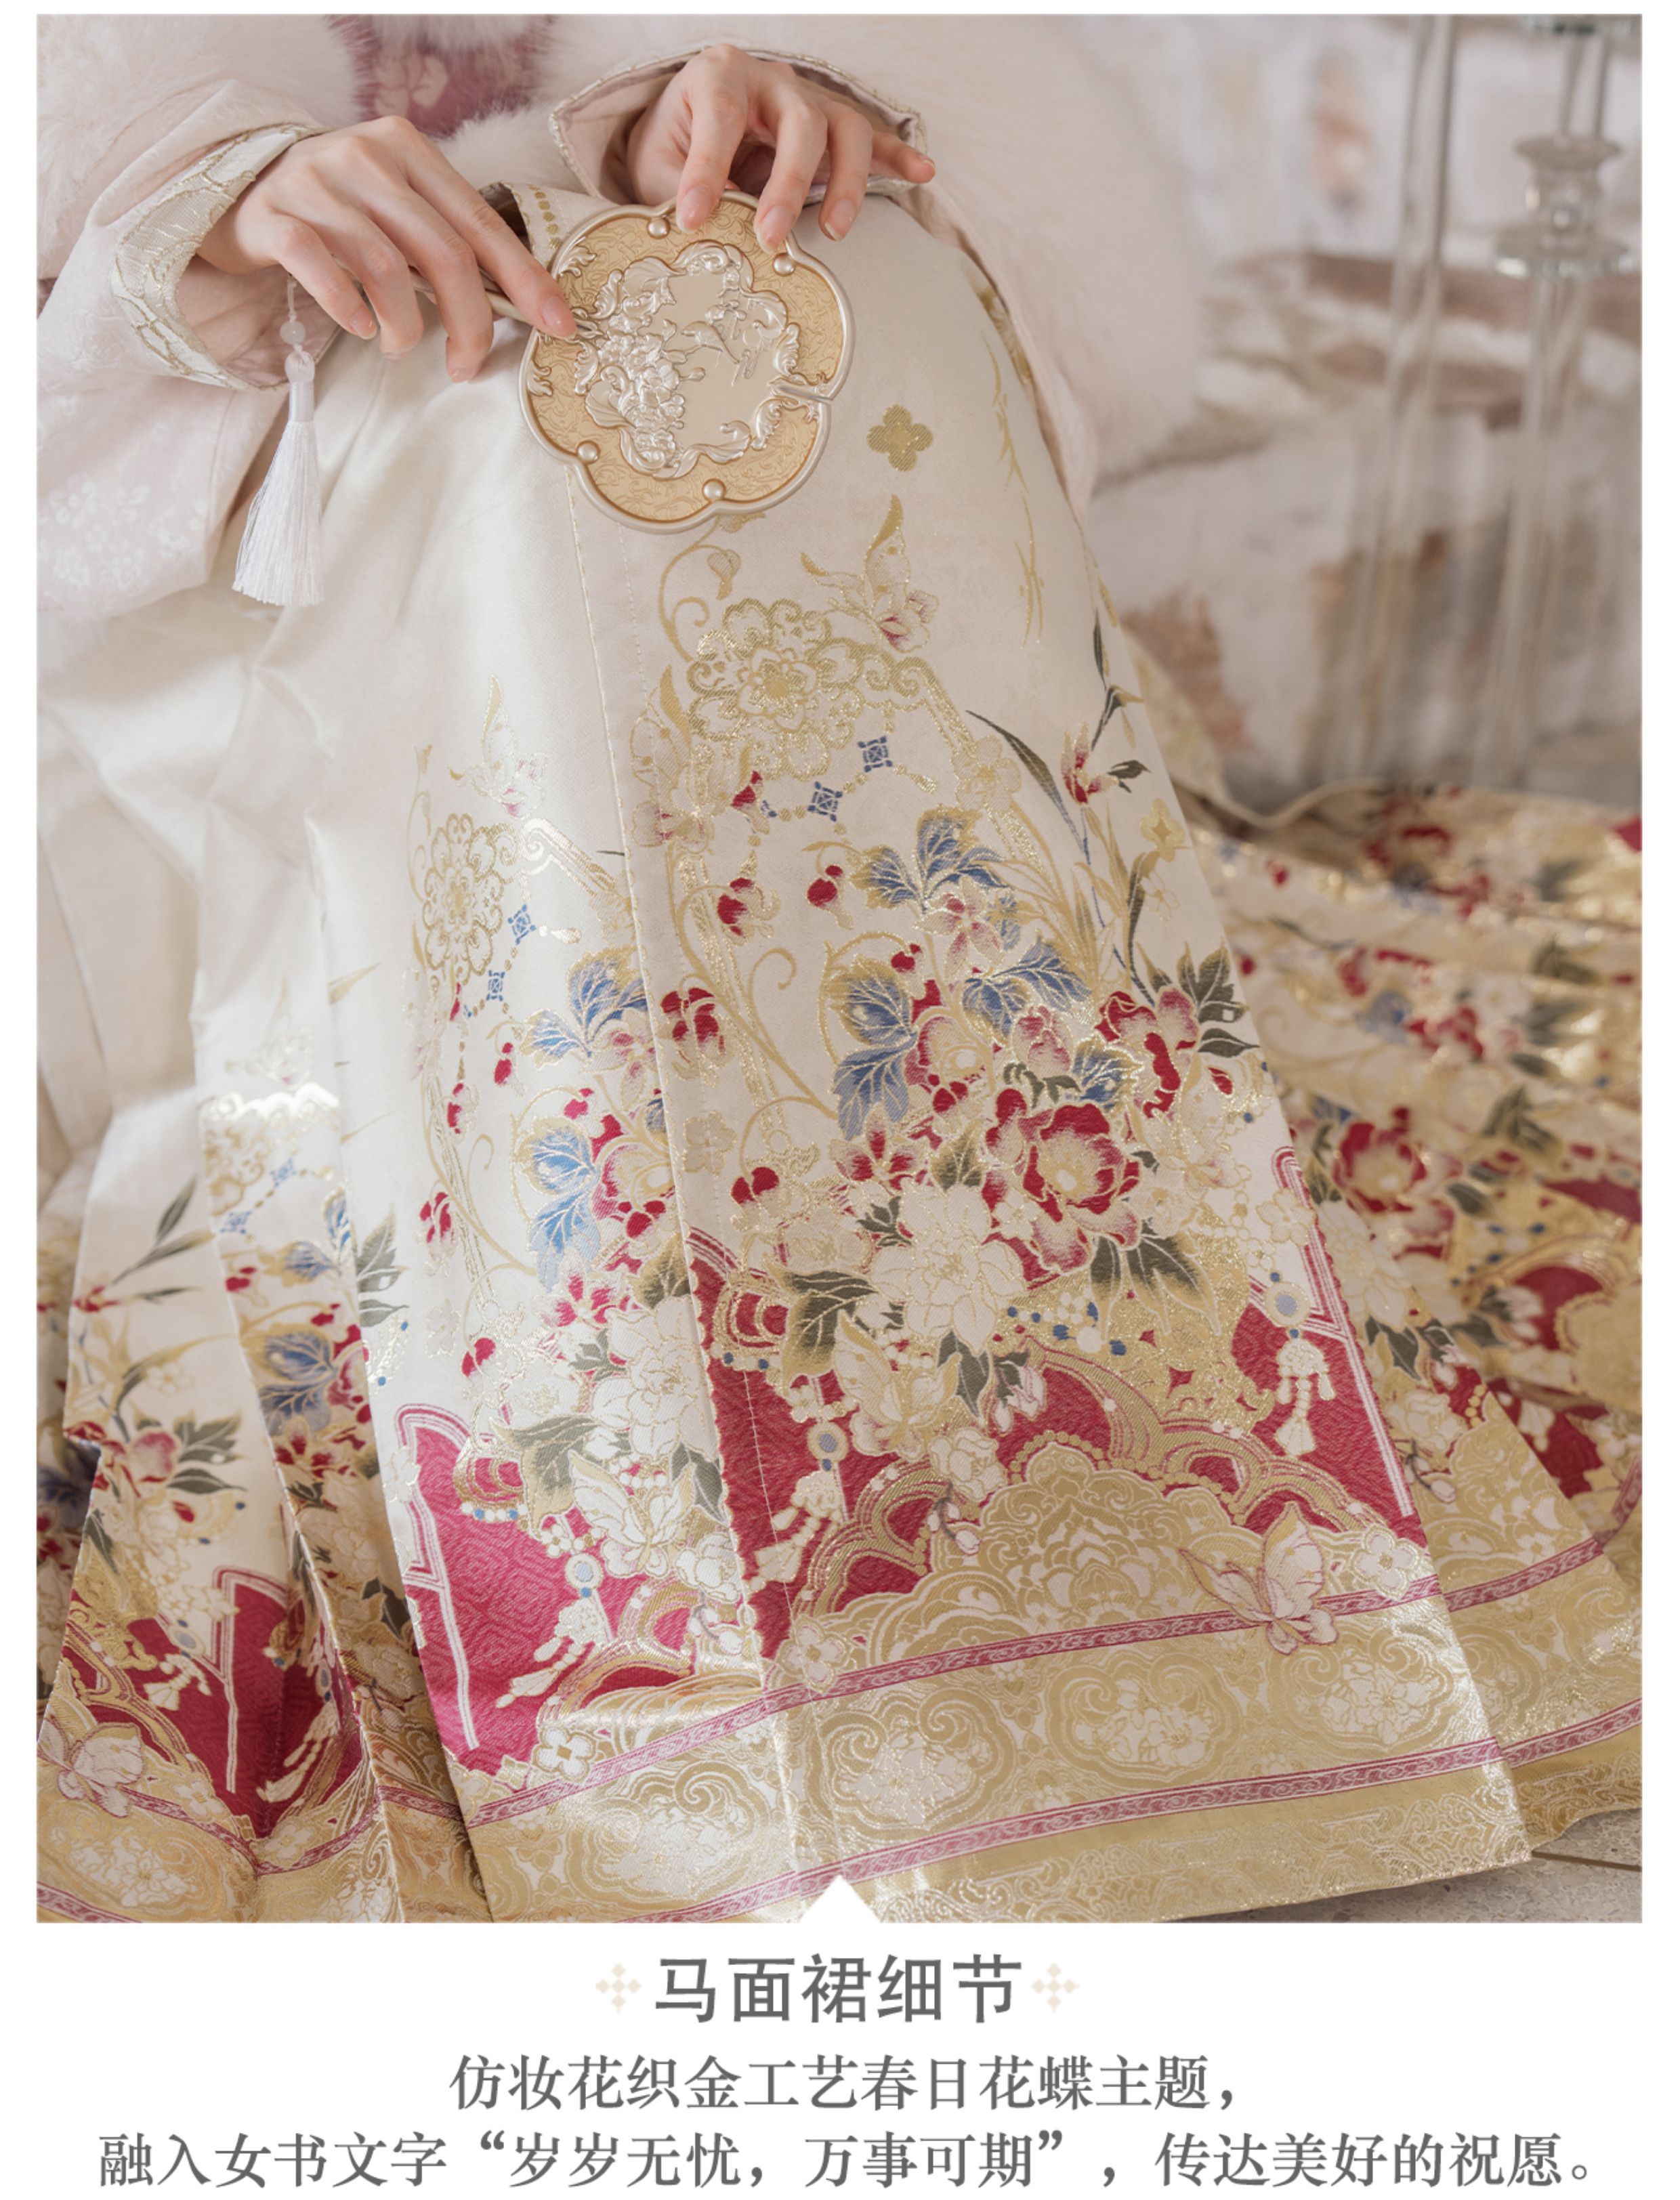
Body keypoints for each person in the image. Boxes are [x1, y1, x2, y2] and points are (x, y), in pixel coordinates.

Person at [38, 17, 1638, 1924]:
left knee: (818, 282)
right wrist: (195, 214)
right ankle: (628, 1488)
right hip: (256, 557)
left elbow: (1028, 283)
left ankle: (1009, 1398)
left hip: (683, 505)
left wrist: (731, 108)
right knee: (485, 416)